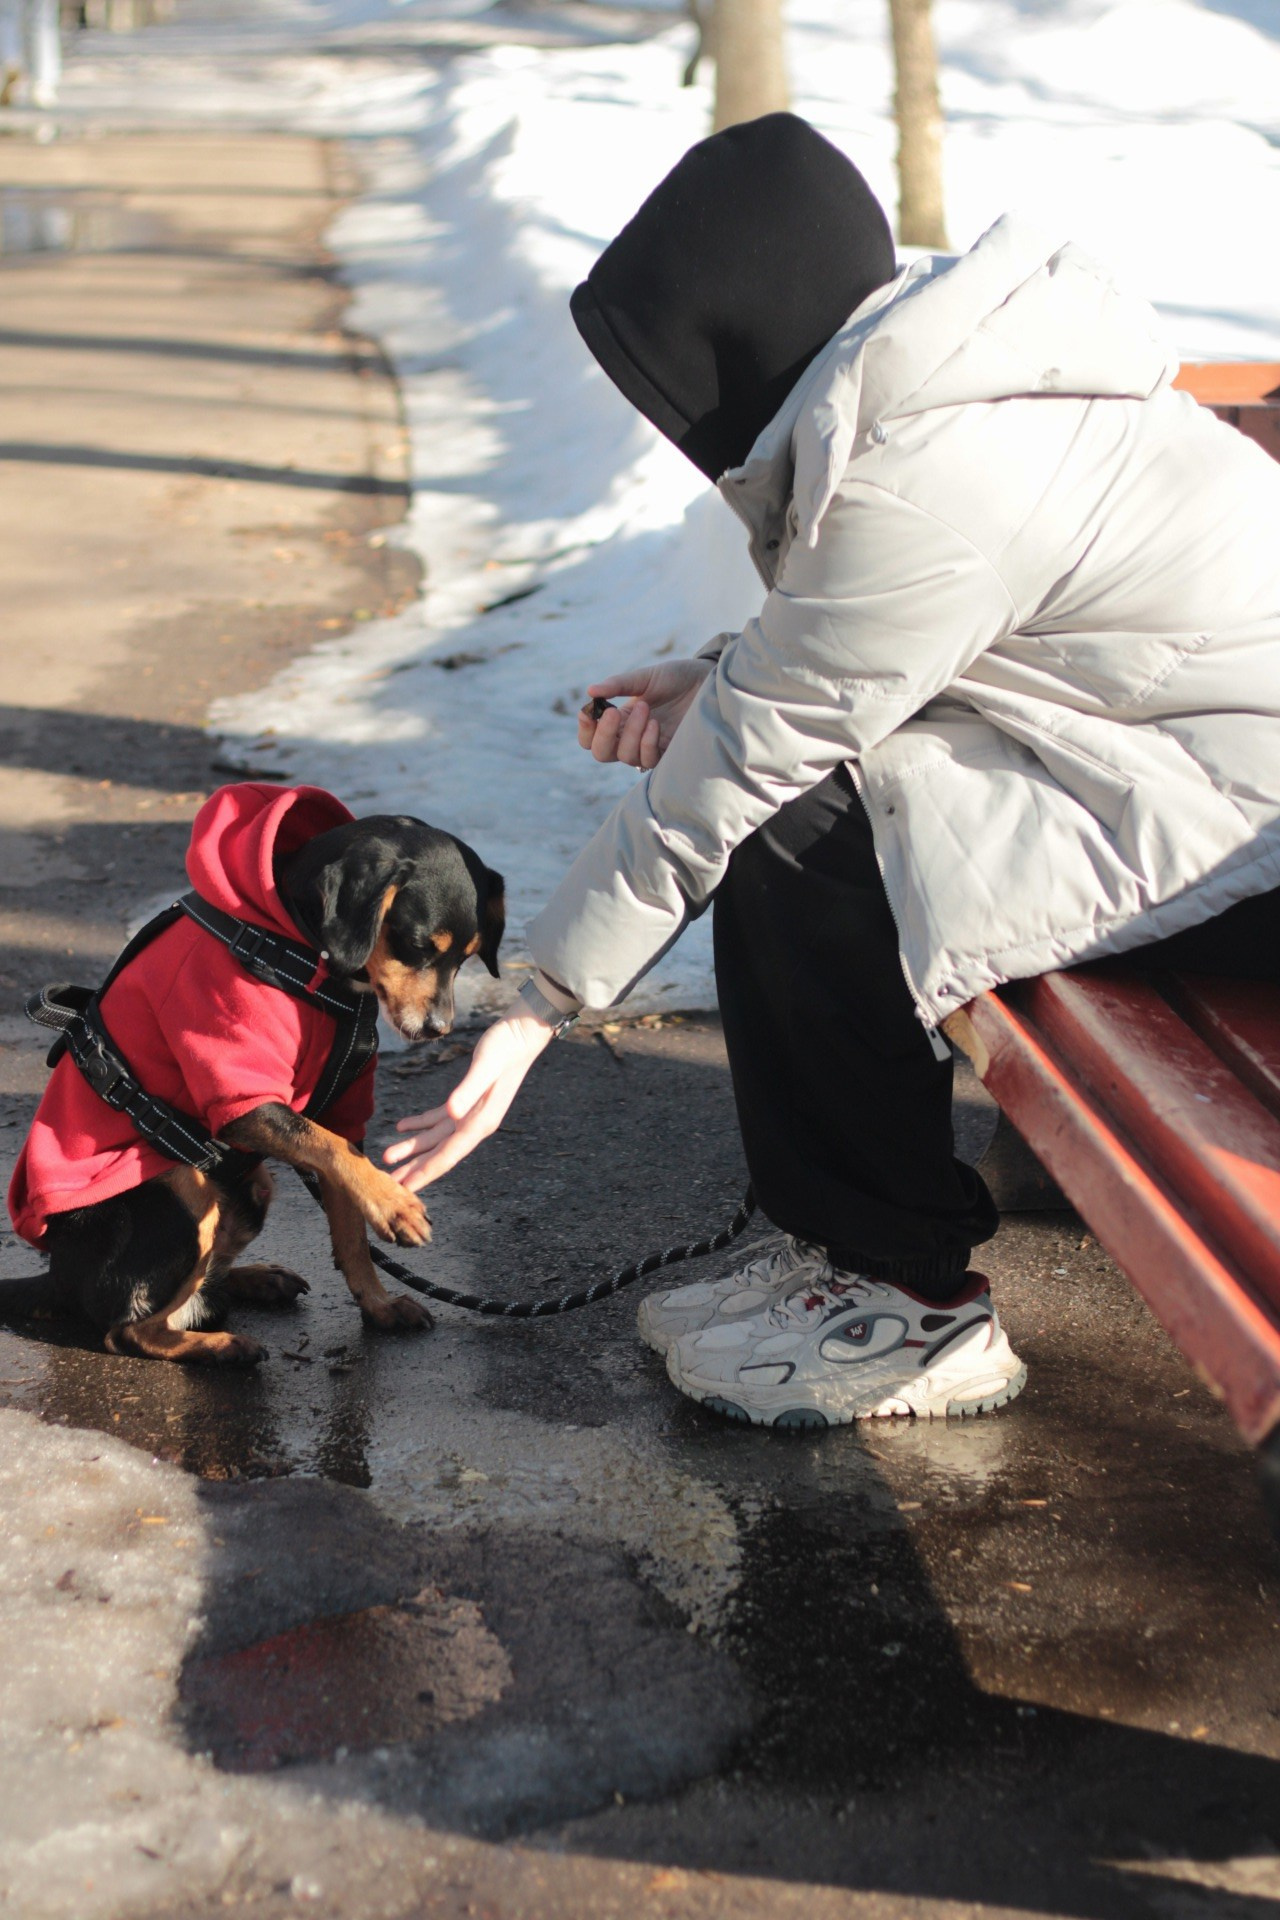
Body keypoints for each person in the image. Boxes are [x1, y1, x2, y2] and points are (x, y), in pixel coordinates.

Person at [384, 113, 1280, 1431]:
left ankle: (906, 1304)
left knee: (796, 817)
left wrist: (536, 1004)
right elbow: (879, 642)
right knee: (790, 784)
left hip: (1237, 833)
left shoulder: (930, 474)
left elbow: (766, 744)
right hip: (1170, 768)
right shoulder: (946, 394)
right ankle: (839, 1252)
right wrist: (724, 677)